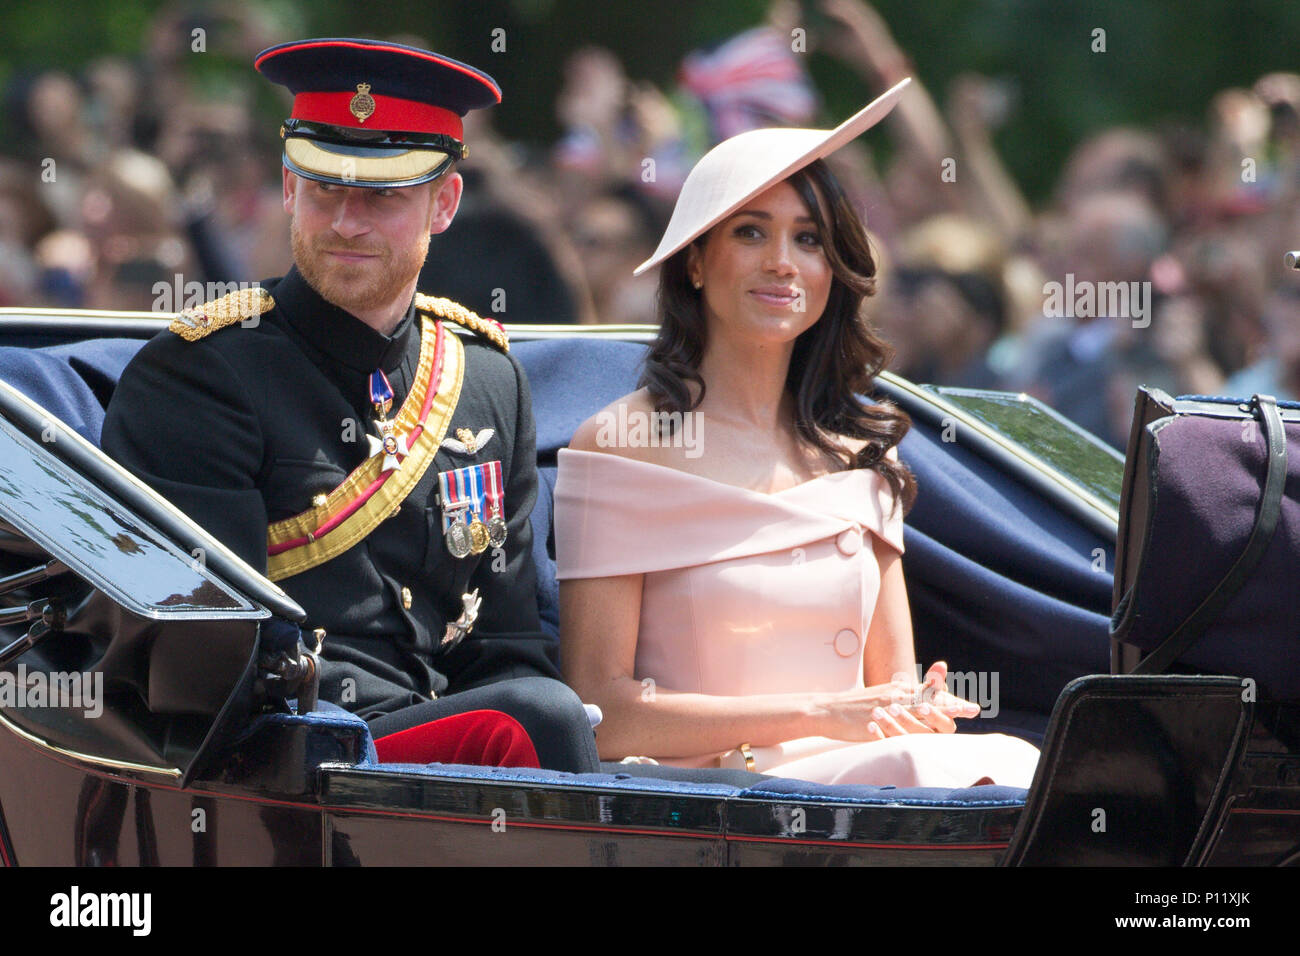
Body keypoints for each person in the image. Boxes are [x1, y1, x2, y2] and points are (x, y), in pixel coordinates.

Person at [101, 38, 598, 774]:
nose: (346, 222)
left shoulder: (487, 379)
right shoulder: (200, 374)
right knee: (543, 719)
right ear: (290, 188)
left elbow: (506, 647)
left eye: (383, 196)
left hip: (436, 755)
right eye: (325, 189)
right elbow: (211, 671)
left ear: (445, 203)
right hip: (285, 761)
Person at [555, 80, 1039, 788]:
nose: (783, 261)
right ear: (695, 259)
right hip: (709, 801)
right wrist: (818, 713)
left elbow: (886, 694)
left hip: (863, 786)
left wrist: (917, 705)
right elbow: (603, 714)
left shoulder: (861, 450)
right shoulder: (623, 440)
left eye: (807, 239)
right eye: (750, 231)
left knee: (1022, 762)